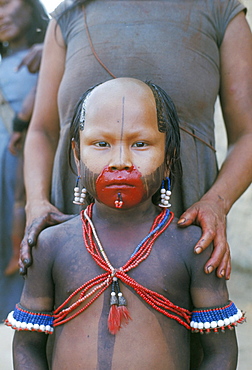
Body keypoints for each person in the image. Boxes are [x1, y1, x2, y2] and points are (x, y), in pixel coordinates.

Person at [6, 78, 245, 369]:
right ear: (77, 155)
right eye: (101, 144)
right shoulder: (51, 245)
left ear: (168, 158)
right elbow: (27, 349)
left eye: (141, 144)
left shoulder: (193, 247)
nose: (121, 161)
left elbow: (220, 353)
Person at [20, 0, 252, 281]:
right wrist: (36, 203)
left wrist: (217, 203)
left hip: (184, 227)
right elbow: (42, 131)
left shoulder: (219, 10)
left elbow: (247, 135)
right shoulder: (68, 16)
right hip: (72, 225)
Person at [0, 0, 49, 319]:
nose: (1, 15)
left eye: (5, 3)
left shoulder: (48, 54)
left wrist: (53, 48)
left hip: (22, 161)